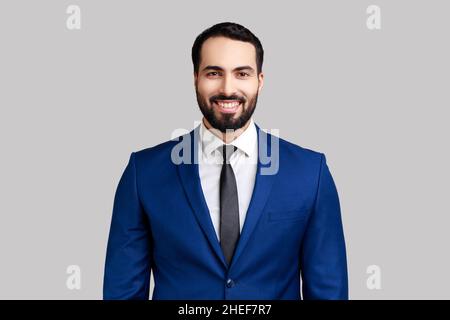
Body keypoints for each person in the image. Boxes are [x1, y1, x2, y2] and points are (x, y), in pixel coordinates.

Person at [103, 22, 348, 300]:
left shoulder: (309, 173)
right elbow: (122, 292)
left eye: (242, 73)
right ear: (196, 77)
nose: (227, 88)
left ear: (260, 80)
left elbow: (329, 292)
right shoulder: (144, 173)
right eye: (213, 73)